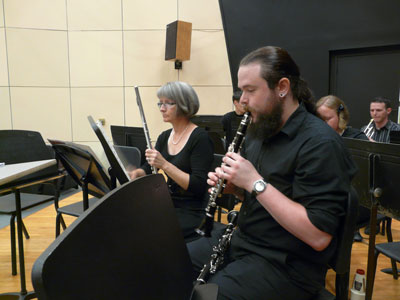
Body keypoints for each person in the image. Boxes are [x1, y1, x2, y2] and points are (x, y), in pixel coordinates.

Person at [188, 46, 357, 300]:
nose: (242, 100)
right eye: (241, 90)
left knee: (208, 297)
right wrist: (237, 188)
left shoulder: (321, 144)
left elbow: (319, 236)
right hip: (244, 240)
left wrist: (255, 183)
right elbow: (265, 200)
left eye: (250, 90)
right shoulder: (260, 133)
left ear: (282, 87)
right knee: (170, 261)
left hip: (286, 264)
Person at [129, 81, 214, 243]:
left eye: (168, 103)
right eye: (160, 103)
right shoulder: (164, 136)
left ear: (184, 105)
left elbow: (198, 186)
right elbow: (149, 166)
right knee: (130, 219)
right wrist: (138, 173)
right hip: (169, 203)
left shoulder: (200, 138)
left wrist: (165, 164)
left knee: (147, 231)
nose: (162, 108)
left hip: (193, 211)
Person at [316, 95, 369, 242]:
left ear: (341, 117)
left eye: (327, 119)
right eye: (319, 119)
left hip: (351, 197)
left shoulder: (357, 138)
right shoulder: (315, 137)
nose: (322, 124)